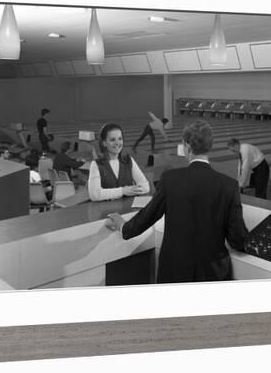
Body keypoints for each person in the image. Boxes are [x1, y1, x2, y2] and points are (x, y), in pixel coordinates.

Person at [106, 120, 248, 283]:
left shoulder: (171, 179)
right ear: (210, 146)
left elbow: (148, 216)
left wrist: (124, 227)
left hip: (174, 271)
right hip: (213, 274)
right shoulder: (229, 186)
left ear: (186, 146)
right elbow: (238, 238)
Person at [88, 123, 150, 201]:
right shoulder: (96, 164)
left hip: (128, 210)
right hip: (107, 211)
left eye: (120, 139)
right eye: (112, 140)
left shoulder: (128, 160)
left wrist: (128, 191)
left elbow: (145, 187)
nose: (117, 143)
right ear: (104, 143)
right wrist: (123, 191)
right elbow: (94, 194)